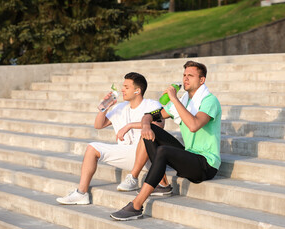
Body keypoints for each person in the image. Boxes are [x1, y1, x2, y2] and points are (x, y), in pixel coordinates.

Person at [110, 61, 222, 220]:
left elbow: (194, 125)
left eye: (190, 76)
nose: (185, 79)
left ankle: (136, 206)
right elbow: (150, 115)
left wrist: (174, 99)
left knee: (163, 150)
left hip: (206, 165)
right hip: (189, 156)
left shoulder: (209, 101)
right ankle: (162, 185)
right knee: (151, 132)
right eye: (184, 75)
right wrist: (146, 125)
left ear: (202, 80)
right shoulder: (184, 101)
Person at [56, 72, 166, 205]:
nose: (122, 90)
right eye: (123, 86)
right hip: (126, 153)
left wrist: (129, 126)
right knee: (92, 147)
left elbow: (158, 125)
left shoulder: (153, 105)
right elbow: (99, 125)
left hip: (147, 155)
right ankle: (81, 193)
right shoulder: (120, 107)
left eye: (126, 87)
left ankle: (133, 178)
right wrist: (104, 107)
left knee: (145, 137)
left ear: (137, 90)